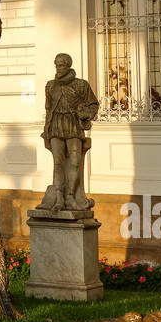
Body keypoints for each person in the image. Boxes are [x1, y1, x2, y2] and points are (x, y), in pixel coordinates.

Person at [37, 54, 98, 212]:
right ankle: (59, 198)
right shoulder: (50, 86)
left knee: (75, 161)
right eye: (56, 65)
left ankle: (71, 195)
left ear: (69, 66)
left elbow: (93, 104)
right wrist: (46, 130)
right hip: (56, 125)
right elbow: (48, 109)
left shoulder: (81, 85)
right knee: (58, 162)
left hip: (72, 125)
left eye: (62, 65)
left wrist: (85, 114)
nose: (58, 68)